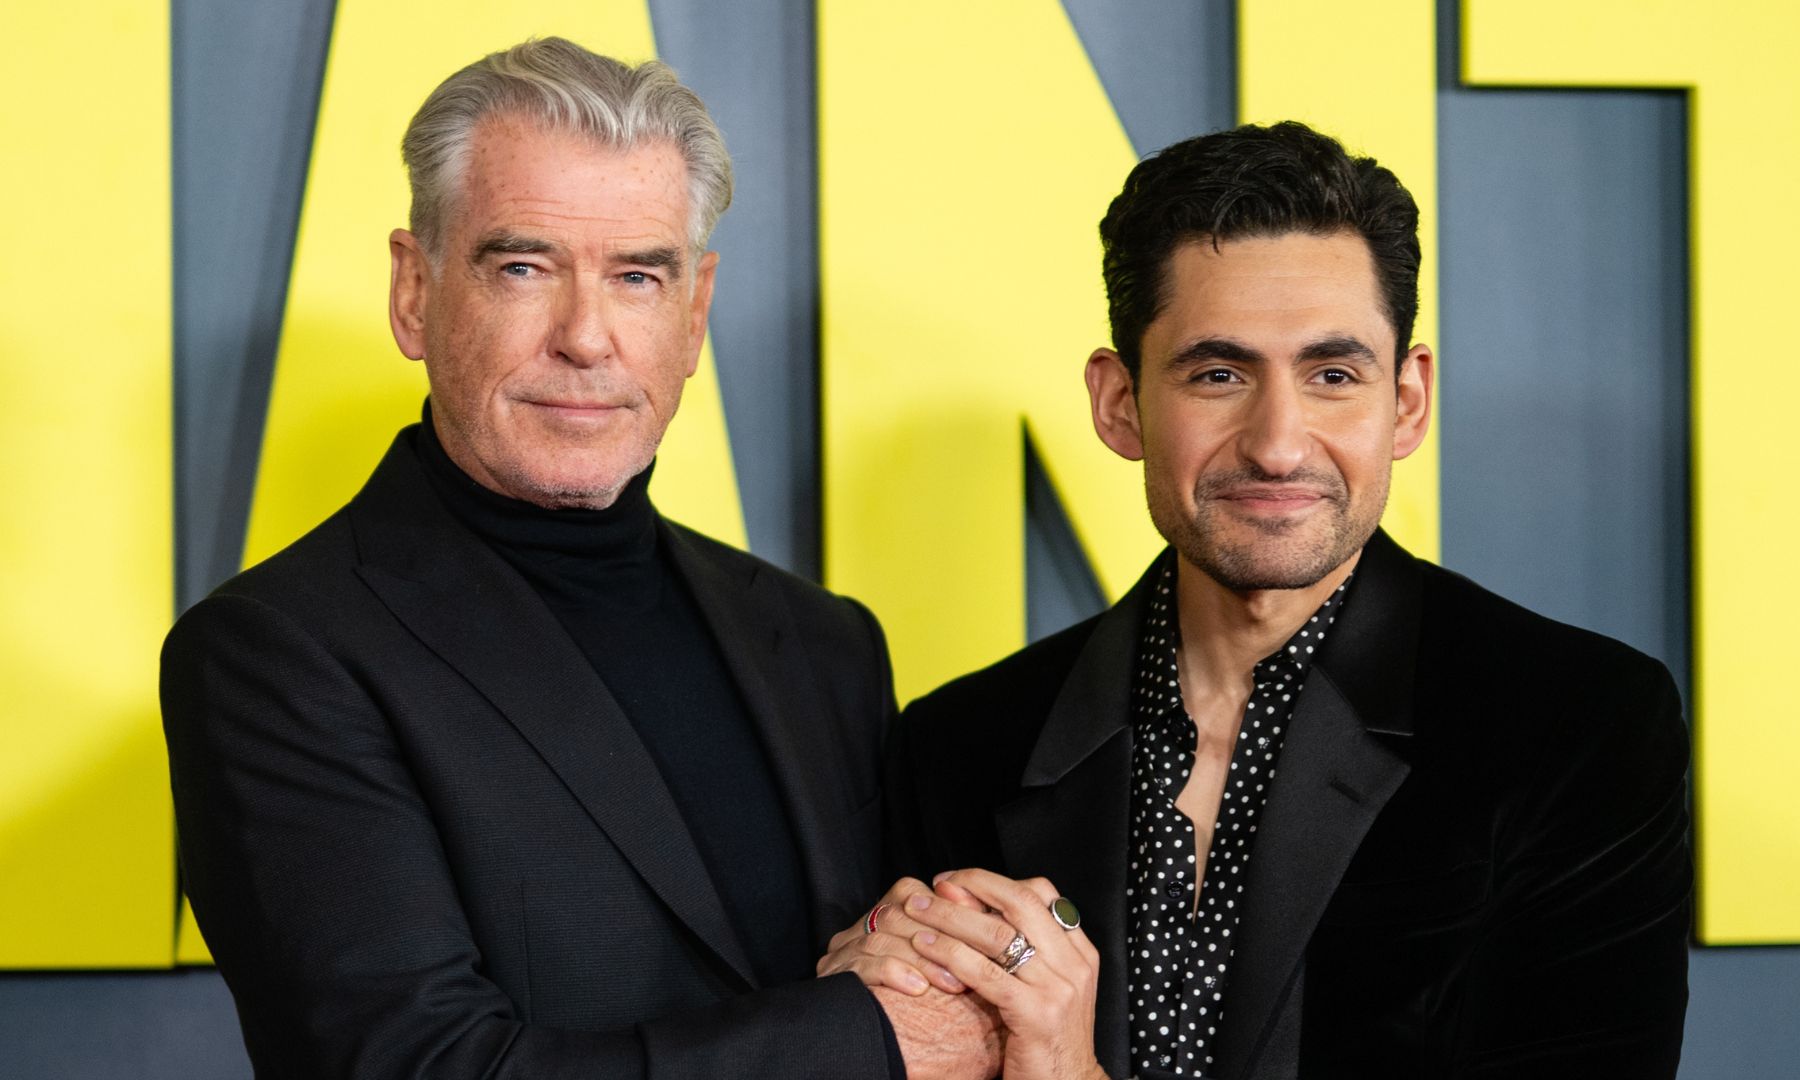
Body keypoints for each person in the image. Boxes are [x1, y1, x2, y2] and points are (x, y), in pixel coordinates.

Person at [161, 38, 996, 1079]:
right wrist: (870, 1039)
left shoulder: (824, 645)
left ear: (694, 313)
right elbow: (417, 1066)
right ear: (415, 292)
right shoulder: (276, 656)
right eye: (523, 268)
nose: (586, 338)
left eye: (638, 276)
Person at [831, 121, 1691, 1078]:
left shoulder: (1577, 725)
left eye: (1333, 375)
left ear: (1407, 402)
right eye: (1218, 374)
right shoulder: (960, 746)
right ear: (1120, 404)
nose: (1278, 445)